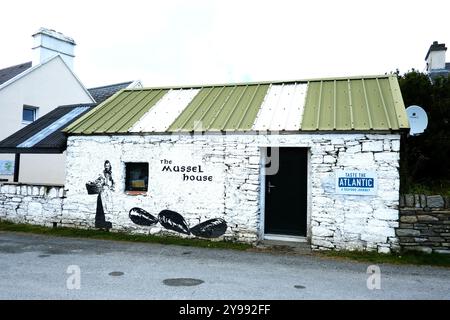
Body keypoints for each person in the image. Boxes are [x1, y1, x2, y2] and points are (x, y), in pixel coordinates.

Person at [94, 160, 114, 230]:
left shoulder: (111, 174)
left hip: (107, 193)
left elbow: (113, 184)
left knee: (107, 209)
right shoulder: (102, 173)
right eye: (106, 166)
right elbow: (98, 180)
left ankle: (107, 226)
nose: (107, 167)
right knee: (100, 209)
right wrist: (100, 181)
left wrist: (111, 186)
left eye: (108, 166)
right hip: (102, 192)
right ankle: (100, 225)